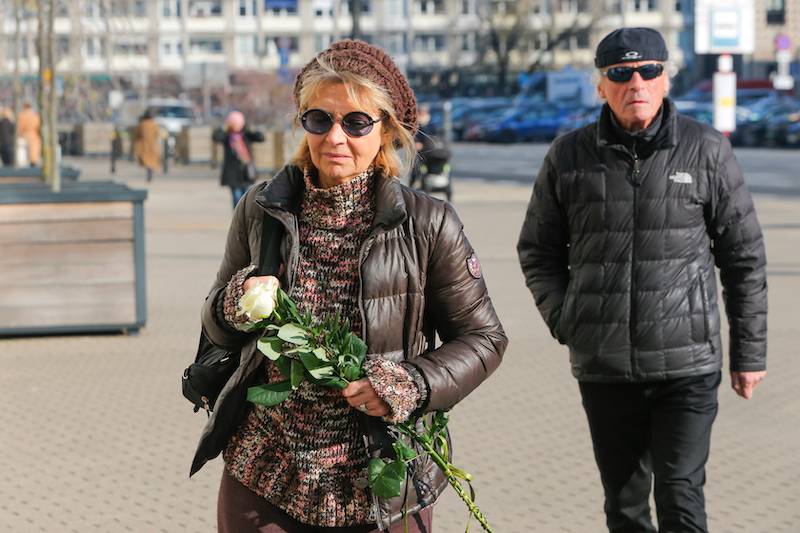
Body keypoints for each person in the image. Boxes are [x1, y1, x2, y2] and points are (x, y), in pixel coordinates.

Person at [194, 39, 507, 532]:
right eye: (319, 119)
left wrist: (408, 384)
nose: (335, 137)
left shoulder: (428, 223)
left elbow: (485, 339)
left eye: (356, 122)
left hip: (379, 481)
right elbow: (214, 322)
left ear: (385, 130)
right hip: (265, 471)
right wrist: (237, 303)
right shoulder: (263, 208)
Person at [517, 27, 767, 533]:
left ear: (666, 79)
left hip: (687, 365)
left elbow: (744, 259)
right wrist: (569, 319)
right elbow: (537, 250)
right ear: (601, 86)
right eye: (621, 73)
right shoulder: (568, 157)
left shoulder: (706, 150)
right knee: (625, 508)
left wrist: (750, 354)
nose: (637, 83)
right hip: (605, 367)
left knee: (681, 497)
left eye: (649, 71)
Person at [212, 111, 264, 208]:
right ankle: (238, 219)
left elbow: (260, 137)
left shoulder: (246, 134)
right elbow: (216, 136)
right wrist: (225, 126)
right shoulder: (227, 136)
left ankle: (243, 218)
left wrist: (249, 128)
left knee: (246, 197)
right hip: (232, 173)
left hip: (246, 172)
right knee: (237, 197)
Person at [133, 109, 161, 182]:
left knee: (147, 161)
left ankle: (149, 173)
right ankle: (150, 173)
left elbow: (137, 134)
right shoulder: (154, 124)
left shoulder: (142, 124)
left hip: (144, 146)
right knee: (151, 161)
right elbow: (157, 134)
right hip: (153, 146)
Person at [17, 102, 41, 167]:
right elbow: (38, 126)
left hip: (25, 135)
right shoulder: (35, 115)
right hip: (34, 135)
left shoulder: (22, 115)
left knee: (24, 154)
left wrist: (19, 134)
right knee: (34, 154)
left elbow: (20, 127)